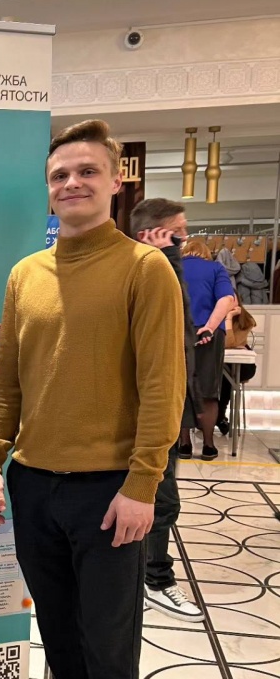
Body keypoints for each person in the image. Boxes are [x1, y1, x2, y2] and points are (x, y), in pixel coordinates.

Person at [0, 120, 184, 679]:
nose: (72, 183)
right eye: (60, 174)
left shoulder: (144, 269)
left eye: (87, 171)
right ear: (49, 188)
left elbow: (163, 386)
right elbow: (8, 377)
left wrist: (143, 484)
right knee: (60, 633)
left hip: (110, 492)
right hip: (35, 484)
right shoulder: (26, 275)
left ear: (115, 183)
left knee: (108, 644)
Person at [127, 199, 204, 623]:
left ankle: (148, 575)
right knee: (160, 498)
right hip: (149, 413)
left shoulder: (162, 269)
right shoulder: (146, 272)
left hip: (169, 406)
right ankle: (154, 579)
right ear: (151, 235)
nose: (185, 240)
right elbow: (171, 329)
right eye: (179, 232)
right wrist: (167, 259)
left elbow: (181, 336)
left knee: (161, 499)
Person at [179, 239, 236, 460]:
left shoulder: (173, 267)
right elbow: (227, 299)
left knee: (180, 388)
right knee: (208, 390)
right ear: (206, 253)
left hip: (178, 331)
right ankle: (208, 445)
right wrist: (210, 327)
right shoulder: (215, 269)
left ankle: (184, 444)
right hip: (208, 334)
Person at [217, 295, 257, 434]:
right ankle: (217, 417)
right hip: (222, 363)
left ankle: (218, 416)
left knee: (225, 377)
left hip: (241, 364)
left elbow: (229, 343)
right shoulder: (213, 316)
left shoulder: (246, 320)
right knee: (220, 375)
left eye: (231, 299)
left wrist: (228, 318)